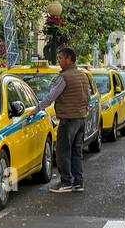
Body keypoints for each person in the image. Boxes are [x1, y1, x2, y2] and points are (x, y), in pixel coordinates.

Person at [39, 46, 91, 193]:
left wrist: (36, 110)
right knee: (76, 151)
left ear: (69, 59)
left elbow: (51, 97)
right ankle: (78, 183)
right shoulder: (83, 75)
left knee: (63, 152)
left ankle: (66, 182)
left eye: (61, 58)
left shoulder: (64, 77)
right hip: (81, 118)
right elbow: (87, 97)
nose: (59, 61)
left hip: (68, 120)